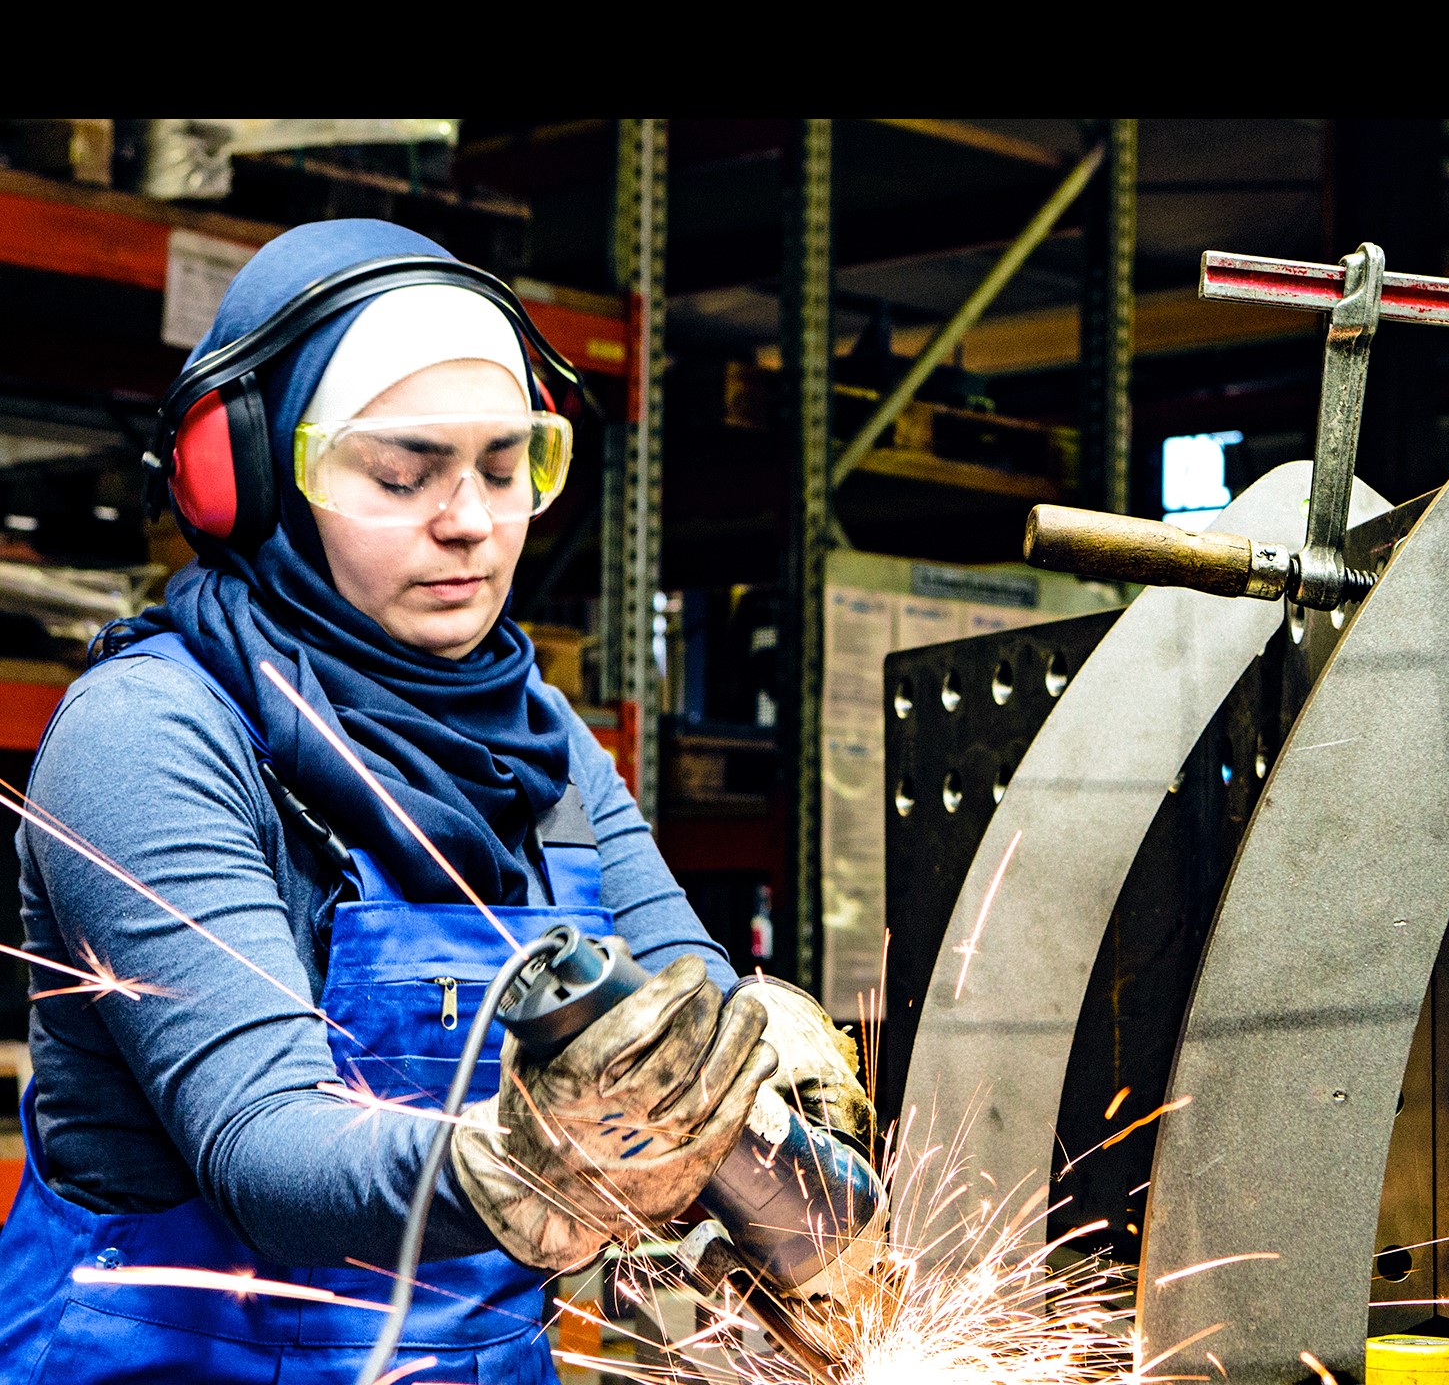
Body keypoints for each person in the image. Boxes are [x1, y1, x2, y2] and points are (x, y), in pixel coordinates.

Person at [0, 219, 873, 1383]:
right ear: (253, 477)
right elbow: (268, 1147)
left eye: (508, 468)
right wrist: (523, 1163)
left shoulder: (543, 747)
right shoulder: (150, 733)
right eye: (404, 472)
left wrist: (768, 1116)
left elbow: (694, 1026)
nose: (470, 519)